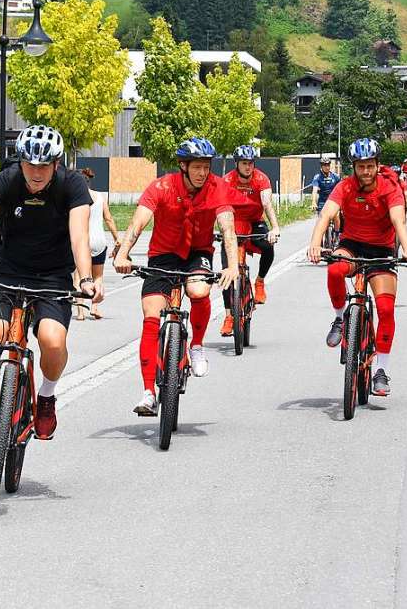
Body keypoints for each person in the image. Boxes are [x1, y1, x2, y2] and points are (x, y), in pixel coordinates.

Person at [0, 125, 102, 454]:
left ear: (57, 164)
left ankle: (45, 397)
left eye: (45, 166)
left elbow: (79, 237)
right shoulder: (6, 181)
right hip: (10, 273)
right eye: (31, 165)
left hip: (53, 277)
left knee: (51, 340)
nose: (37, 172)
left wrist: (86, 279)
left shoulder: (72, 185)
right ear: (21, 162)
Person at [114, 138, 240, 416]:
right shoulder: (162, 187)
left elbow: (227, 228)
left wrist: (233, 266)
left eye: (206, 167)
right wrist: (123, 254)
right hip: (163, 253)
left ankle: (196, 345)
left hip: (198, 252)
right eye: (196, 167)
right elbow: (138, 222)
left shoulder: (218, 187)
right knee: (150, 313)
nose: (202, 173)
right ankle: (148, 392)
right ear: (183, 166)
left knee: (198, 291)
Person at [307, 139, 407, 397]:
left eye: (370, 166)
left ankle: (381, 370)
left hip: (381, 250)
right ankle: (339, 319)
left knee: (385, 309)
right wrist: (314, 244)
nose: (366, 171)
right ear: (354, 167)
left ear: (377, 166)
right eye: (361, 167)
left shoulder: (390, 188)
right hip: (352, 245)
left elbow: (398, 220)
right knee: (335, 268)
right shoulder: (345, 186)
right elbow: (326, 215)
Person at [219, 145, 281, 336]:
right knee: (227, 273)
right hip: (233, 222)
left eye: (251, 163)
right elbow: (219, 205)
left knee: (268, 247)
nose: (248, 167)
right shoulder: (227, 180)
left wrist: (275, 227)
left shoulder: (261, 179)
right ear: (236, 164)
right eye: (244, 163)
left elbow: (267, 203)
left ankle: (260, 281)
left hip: (255, 221)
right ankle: (229, 316)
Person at [74, 167, 121, 320]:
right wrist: (117, 238)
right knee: (98, 277)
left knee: (78, 277)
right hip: (99, 240)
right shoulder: (100, 197)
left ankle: (80, 312)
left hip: (83, 241)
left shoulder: (75, 197)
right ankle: (94, 307)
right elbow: (108, 219)